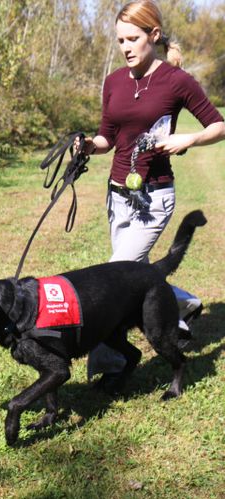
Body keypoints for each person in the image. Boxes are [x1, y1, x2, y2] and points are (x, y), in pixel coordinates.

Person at [78, 0, 225, 378]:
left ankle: (108, 368)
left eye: (133, 39)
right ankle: (184, 304)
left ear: (153, 36)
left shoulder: (177, 81)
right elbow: (106, 137)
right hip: (117, 194)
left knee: (112, 278)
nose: (125, 47)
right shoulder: (113, 82)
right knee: (134, 271)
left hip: (154, 196)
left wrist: (188, 138)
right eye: (120, 41)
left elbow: (218, 125)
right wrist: (86, 146)